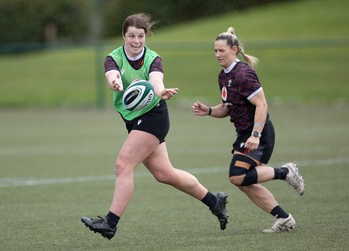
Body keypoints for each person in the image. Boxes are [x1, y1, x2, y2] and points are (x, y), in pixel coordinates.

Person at [81, 13, 228, 240]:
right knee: (164, 173)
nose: (136, 41)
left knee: (123, 165)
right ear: (124, 35)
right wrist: (115, 82)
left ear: (146, 36)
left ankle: (110, 223)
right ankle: (214, 200)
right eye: (131, 36)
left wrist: (160, 91)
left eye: (140, 36)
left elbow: (156, 79)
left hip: (154, 116)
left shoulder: (153, 58)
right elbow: (111, 75)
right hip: (133, 121)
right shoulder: (114, 57)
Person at [192, 27, 305, 233]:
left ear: (234, 50)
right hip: (244, 134)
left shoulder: (243, 73)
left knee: (236, 175)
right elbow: (227, 108)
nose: (217, 55)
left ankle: (286, 172)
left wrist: (255, 134)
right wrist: (208, 110)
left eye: (221, 51)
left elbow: (262, 105)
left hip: (259, 134)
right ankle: (283, 218)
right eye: (215, 51)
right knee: (243, 182)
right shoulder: (223, 76)